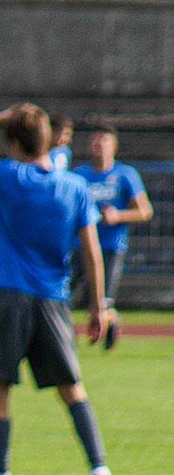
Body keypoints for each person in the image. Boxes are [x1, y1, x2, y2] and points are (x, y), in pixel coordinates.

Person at [0, 104, 119, 475]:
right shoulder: (74, 187)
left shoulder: (11, 177)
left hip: (8, 293)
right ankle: (101, 471)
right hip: (53, 299)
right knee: (71, 387)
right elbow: (92, 252)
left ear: (13, 143)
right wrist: (98, 307)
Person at [71, 122, 152, 349]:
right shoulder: (79, 175)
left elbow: (145, 211)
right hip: (80, 245)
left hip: (110, 246)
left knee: (102, 300)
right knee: (70, 295)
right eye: (94, 140)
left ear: (114, 146)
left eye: (103, 140)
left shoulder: (125, 175)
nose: (97, 145)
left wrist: (118, 216)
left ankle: (109, 321)